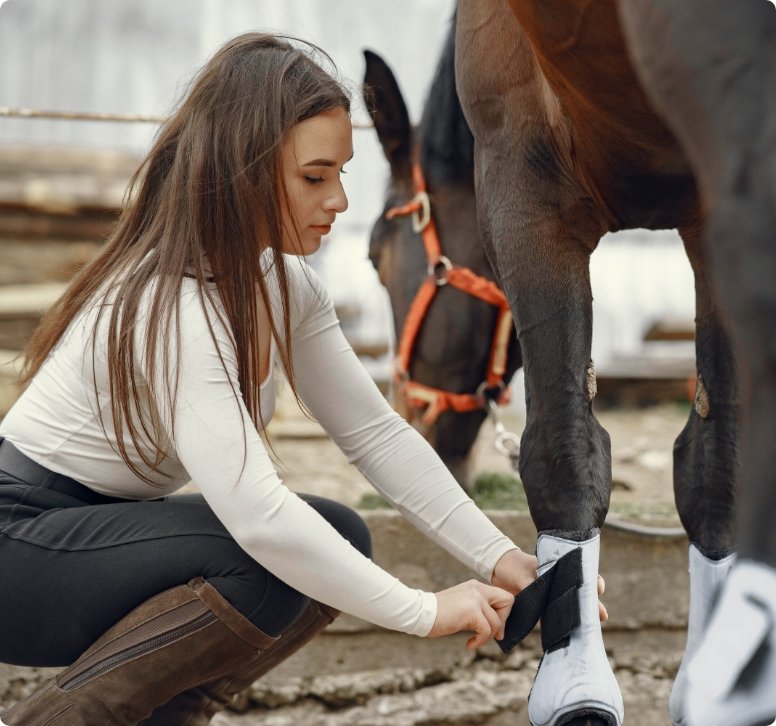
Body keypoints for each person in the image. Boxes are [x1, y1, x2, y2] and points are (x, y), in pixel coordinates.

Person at [0, 32, 540, 725]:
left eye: (343, 173)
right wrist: (424, 611)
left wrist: (500, 558)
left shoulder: (282, 285)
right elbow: (257, 516)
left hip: (89, 535)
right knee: (268, 559)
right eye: (315, 177)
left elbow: (377, 436)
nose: (340, 199)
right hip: (19, 550)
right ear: (245, 169)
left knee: (336, 536)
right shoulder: (174, 303)